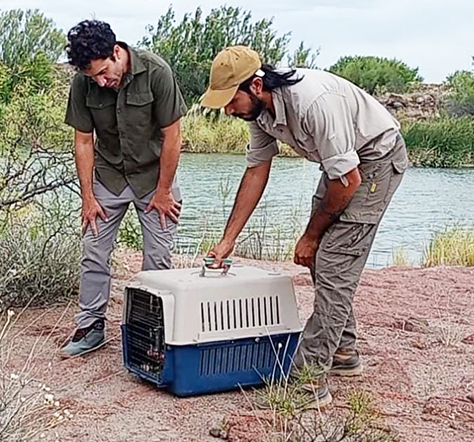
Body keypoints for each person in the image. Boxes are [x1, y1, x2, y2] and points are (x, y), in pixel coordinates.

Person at [202, 46, 408, 408]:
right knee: (322, 260)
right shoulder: (260, 112)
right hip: (344, 167)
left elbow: (347, 182)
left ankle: (307, 382)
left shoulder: (313, 104)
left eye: (230, 100)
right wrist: (227, 240)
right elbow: (256, 170)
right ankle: (344, 352)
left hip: (375, 160)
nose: (227, 110)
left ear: (255, 85)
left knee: (333, 262)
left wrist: (310, 236)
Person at [61, 20, 187, 358]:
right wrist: (88, 197)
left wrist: (163, 192)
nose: (101, 81)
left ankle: (152, 334)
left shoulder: (157, 71)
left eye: (104, 72)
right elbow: (83, 142)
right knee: (94, 250)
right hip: (109, 177)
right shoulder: (83, 83)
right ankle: (90, 326)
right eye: (93, 78)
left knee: (157, 259)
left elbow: (174, 137)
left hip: (154, 178)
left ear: (116, 52)